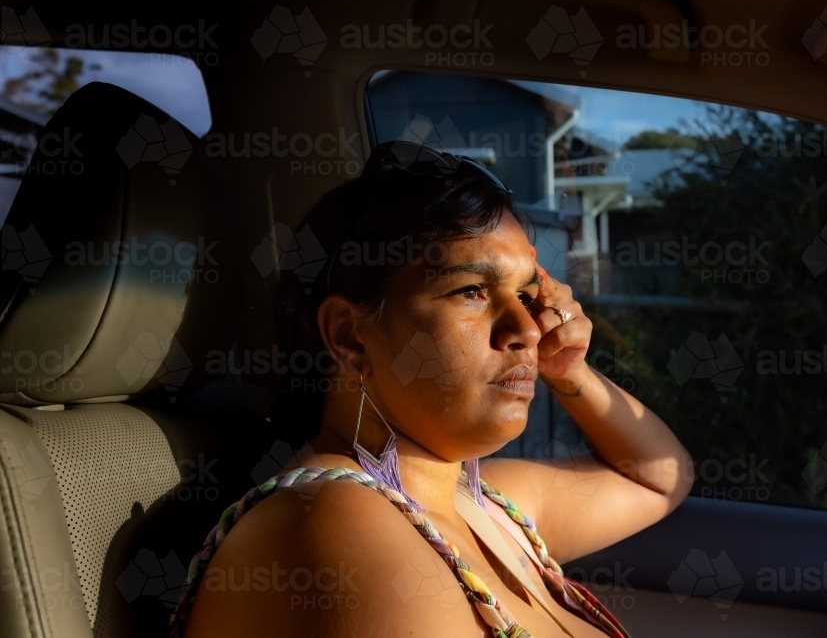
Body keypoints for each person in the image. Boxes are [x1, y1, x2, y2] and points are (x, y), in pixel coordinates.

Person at [172, 141, 693, 637]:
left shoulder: (479, 503)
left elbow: (661, 478)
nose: (529, 329)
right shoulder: (337, 527)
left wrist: (568, 370)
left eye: (527, 297)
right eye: (470, 291)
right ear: (350, 338)